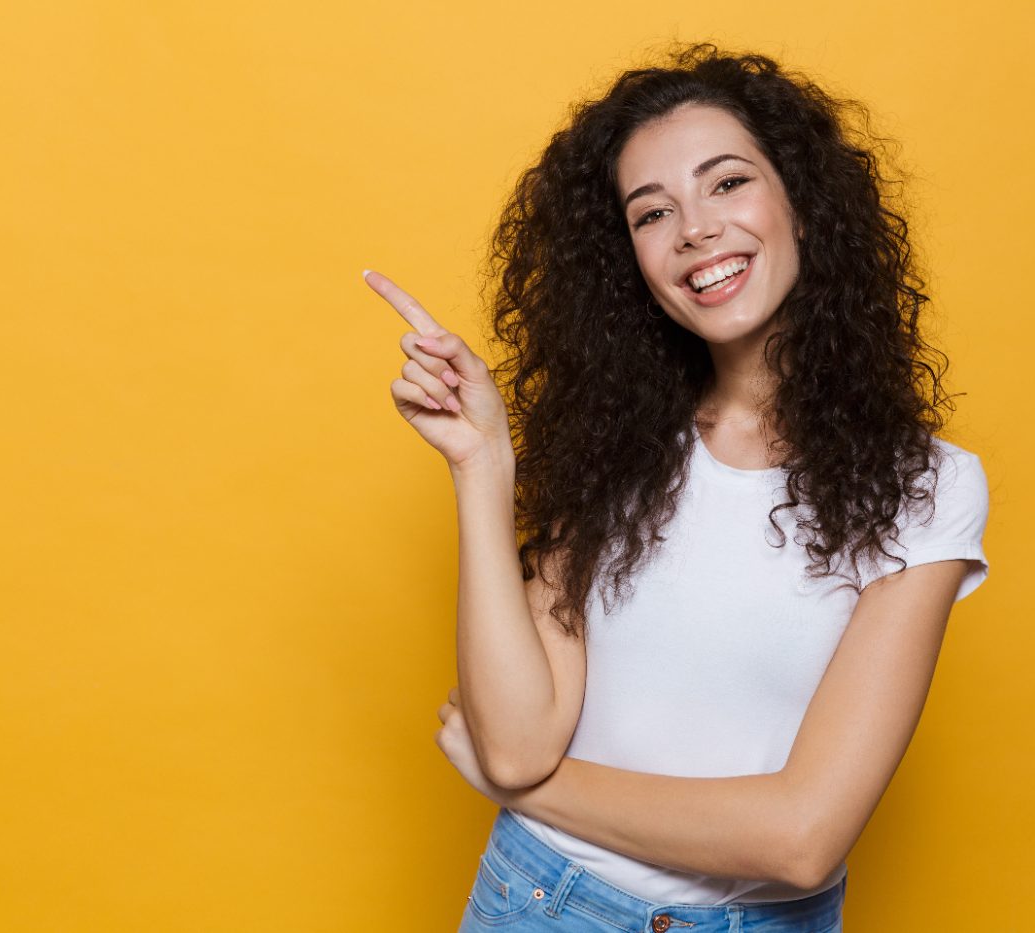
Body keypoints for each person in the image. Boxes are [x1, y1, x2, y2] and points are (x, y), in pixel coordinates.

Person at [364, 41, 991, 933]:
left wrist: (534, 790)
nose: (694, 229)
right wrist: (481, 463)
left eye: (727, 183)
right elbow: (517, 737)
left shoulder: (924, 488)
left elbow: (802, 839)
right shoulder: (616, 446)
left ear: (802, 203)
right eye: (652, 212)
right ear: (630, 260)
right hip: (538, 904)